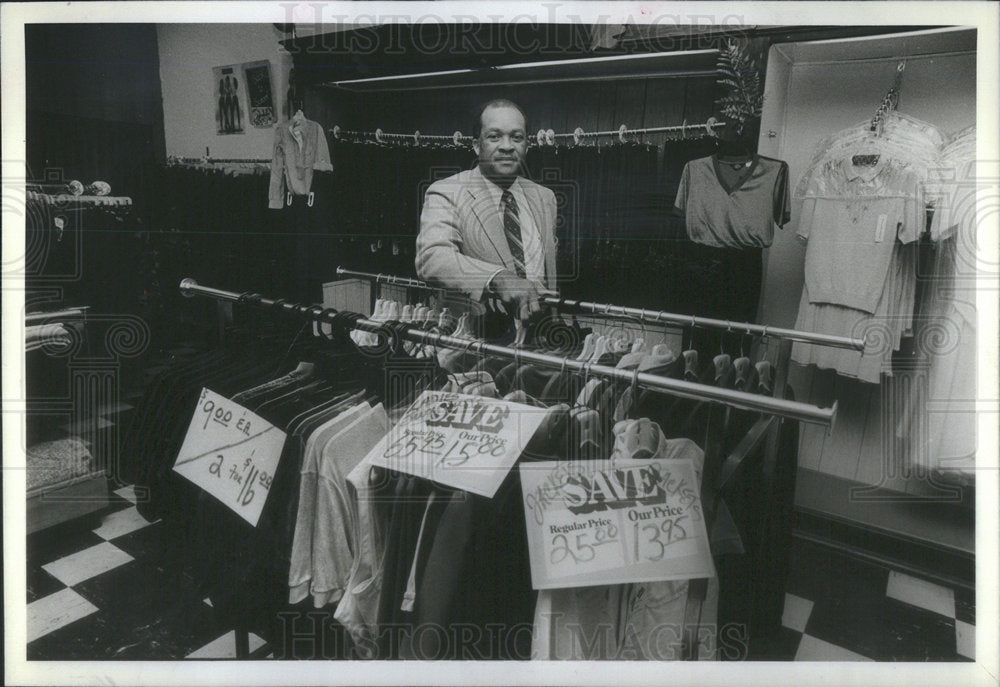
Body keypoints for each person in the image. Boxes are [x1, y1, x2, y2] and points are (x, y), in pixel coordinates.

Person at [415, 99, 557, 322]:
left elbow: (547, 275)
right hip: (475, 343)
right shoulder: (447, 192)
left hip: (539, 341)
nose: (507, 146)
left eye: (516, 137)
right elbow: (432, 258)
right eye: (494, 136)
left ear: (526, 146)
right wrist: (498, 278)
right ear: (476, 145)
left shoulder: (544, 197)